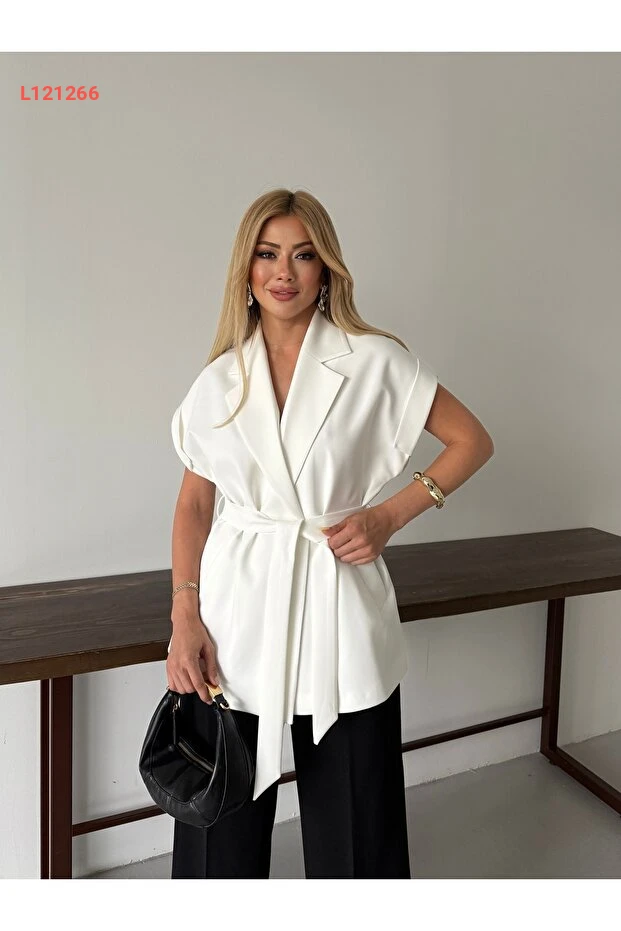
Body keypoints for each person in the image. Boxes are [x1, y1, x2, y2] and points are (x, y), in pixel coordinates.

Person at [166, 188, 494, 879]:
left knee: (357, 825)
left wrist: (388, 516)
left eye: (303, 254)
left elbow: (471, 440)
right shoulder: (218, 380)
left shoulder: (374, 361)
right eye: (267, 254)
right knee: (216, 821)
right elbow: (195, 503)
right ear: (246, 269)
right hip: (234, 610)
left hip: (337, 597)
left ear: (326, 270)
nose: (283, 271)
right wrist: (183, 616)